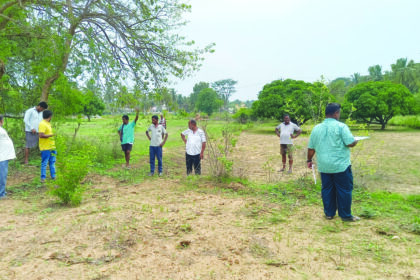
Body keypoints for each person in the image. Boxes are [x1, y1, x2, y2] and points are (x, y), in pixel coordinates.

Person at [307, 103, 359, 222]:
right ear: (336, 113)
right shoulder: (341, 127)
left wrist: (309, 160)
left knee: (327, 189)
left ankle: (329, 214)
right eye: (339, 113)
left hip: (324, 166)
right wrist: (355, 141)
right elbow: (350, 143)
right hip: (340, 165)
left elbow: (311, 148)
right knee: (344, 190)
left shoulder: (316, 128)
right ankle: (345, 215)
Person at [0, 115, 16, 198]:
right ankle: (1, 193)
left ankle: (2, 192)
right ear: (1, 121)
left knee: (2, 175)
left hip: (4, 156)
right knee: (2, 176)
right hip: (2, 157)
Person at [38, 110, 56, 183]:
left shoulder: (48, 123)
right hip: (45, 147)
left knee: (52, 162)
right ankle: (43, 178)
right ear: (50, 116)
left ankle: (53, 176)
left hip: (52, 146)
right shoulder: (42, 124)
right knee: (44, 162)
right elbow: (41, 135)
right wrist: (51, 135)